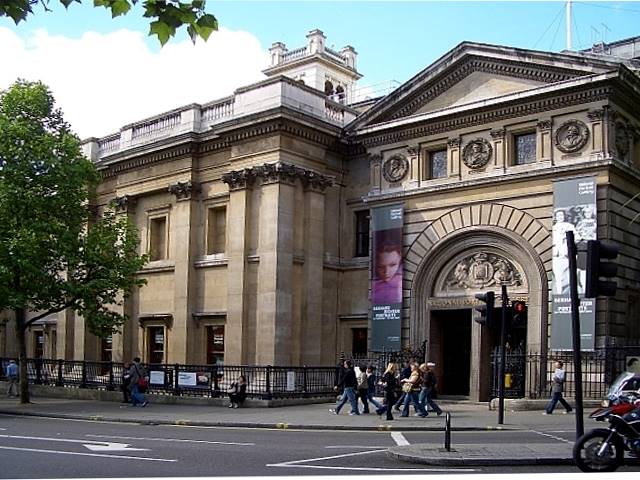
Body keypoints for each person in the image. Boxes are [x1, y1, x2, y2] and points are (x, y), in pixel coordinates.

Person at [552, 209, 575, 295]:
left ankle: (569, 293)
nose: (560, 217)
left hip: (567, 255)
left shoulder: (569, 226)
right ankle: (559, 292)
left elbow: (577, 237)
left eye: (561, 215)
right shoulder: (553, 228)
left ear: (564, 216)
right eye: (558, 216)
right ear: (556, 217)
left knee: (569, 276)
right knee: (558, 277)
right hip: (557, 257)